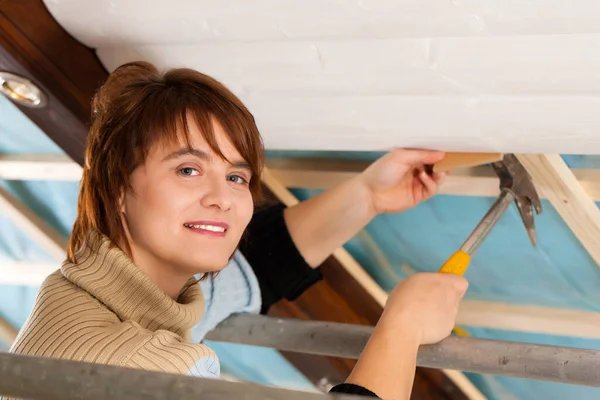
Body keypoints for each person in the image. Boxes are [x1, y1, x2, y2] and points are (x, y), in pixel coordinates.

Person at [8, 61, 468, 400]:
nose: (222, 198)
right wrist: (402, 326)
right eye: (188, 169)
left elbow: (254, 268)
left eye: (236, 177)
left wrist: (368, 193)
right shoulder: (146, 372)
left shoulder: (87, 293)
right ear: (118, 188)